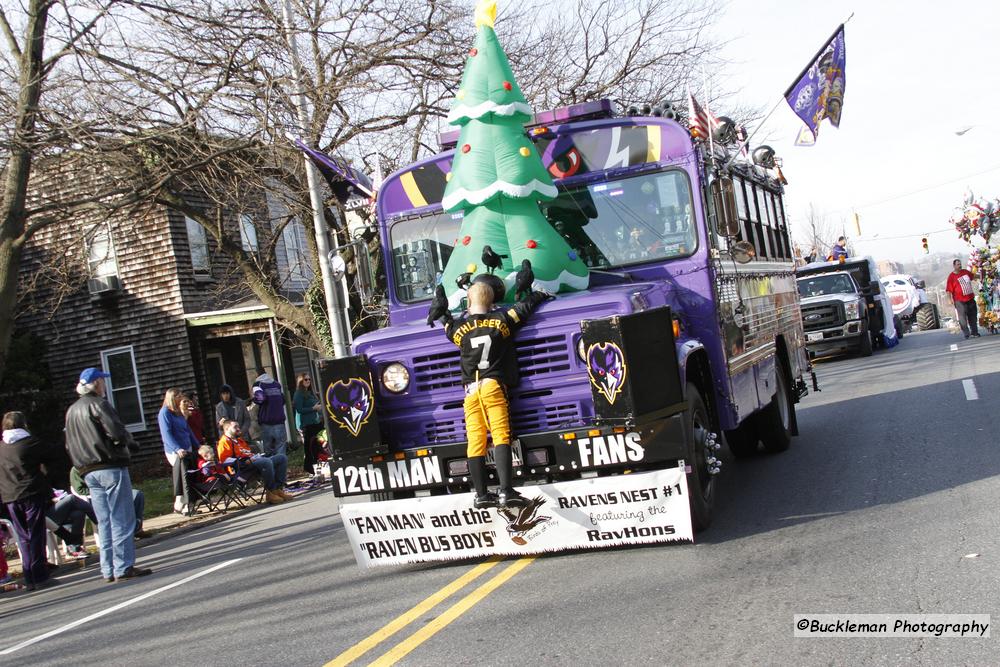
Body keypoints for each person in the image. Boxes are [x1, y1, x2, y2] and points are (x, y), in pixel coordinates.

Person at [444, 280, 550, 509]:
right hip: (493, 386)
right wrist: (540, 294)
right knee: (501, 435)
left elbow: (447, 327)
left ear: (469, 302)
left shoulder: (459, 330)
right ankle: (506, 490)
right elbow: (522, 308)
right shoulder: (501, 321)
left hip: (470, 391)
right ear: (492, 303)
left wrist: (442, 313)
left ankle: (481, 494)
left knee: (475, 441)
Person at [64, 367, 151, 583]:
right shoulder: (99, 404)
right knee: (121, 517)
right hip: (109, 465)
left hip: (87, 470)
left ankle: (108, 568)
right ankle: (123, 566)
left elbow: (69, 444)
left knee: (104, 521)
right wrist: (130, 443)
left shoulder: (71, 411)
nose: (104, 385)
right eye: (101, 382)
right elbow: (116, 431)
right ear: (95, 384)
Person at [0, 411, 64, 590]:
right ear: (23, 425)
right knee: (36, 534)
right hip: (30, 493)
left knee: (23, 537)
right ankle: (40, 575)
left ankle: (29, 576)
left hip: (10, 497)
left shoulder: (2, 448)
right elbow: (53, 453)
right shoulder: (28, 443)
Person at [217, 420, 292, 504]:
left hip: (254, 461)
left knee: (281, 458)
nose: (238, 428)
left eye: (238, 426)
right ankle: (271, 492)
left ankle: (278, 489)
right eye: (235, 427)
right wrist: (244, 462)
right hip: (241, 469)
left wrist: (256, 456)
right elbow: (224, 461)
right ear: (226, 429)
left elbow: (248, 453)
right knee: (266, 462)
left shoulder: (240, 440)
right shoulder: (224, 442)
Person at [70, 467, 148, 539]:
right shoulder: (76, 469)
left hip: (114, 492)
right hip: (96, 498)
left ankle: (136, 528)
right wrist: (99, 492)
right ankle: (121, 532)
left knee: (137, 494)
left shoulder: (101, 464)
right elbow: (79, 490)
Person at [158, 388, 200, 516]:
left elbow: (187, 430)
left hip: (186, 447)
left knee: (188, 475)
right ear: (173, 397)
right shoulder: (164, 412)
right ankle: (186, 504)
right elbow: (166, 434)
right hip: (174, 450)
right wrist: (177, 449)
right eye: (179, 396)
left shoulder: (178, 412)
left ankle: (179, 504)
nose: (182, 398)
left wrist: (198, 446)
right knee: (184, 476)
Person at [293, 373, 324, 475]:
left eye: (309, 379)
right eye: (305, 380)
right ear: (301, 381)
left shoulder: (310, 393)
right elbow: (299, 409)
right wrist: (313, 408)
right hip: (306, 423)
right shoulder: (298, 394)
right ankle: (310, 468)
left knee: (317, 445)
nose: (308, 381)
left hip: (315, 421)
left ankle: (318, 466)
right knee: (309, 447)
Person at [252, 371, 288, 457]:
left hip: (266, 422)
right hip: (279, 421)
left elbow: (260, 398)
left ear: (257, 374)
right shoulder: (276, 384)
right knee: (281, 449)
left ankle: (272, 469)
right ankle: (282, 469)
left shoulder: (258, 384)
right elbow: (283, 399)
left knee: (268, 451)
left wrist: (254, 399)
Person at [947, 258, 980, 339]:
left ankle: (974, 332)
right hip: (959, 301)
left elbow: (973, 276)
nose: (960, 266)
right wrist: (949, 299)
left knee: (973, 316)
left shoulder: (965, 272)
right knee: (962, 318)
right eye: (958, 264)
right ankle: (966, 333)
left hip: (970, 298)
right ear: (954, 266)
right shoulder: (951, 277)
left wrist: (982, 274)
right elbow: (948, 290)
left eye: (960, 264)